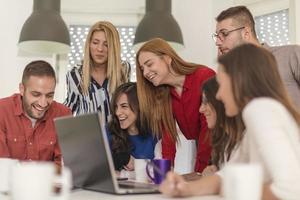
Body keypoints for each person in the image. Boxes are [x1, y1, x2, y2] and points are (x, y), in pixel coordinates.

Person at [159, 44, 300, 199]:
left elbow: (290, 190)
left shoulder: (260, 109)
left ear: (239, 81)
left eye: (222, 83)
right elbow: (225, 176)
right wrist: (184, 188)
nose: (218, 95)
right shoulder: (257, 118)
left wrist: (233, 188)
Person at [136, 38, 215, 172]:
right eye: (142, 69)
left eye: (149, 64)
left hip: (221, 150)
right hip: (202, 150)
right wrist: (166, 172)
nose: (145, 73)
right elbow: (168, 138)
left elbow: (208, 133)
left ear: (167, 58)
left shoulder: (204, 76)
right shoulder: (164, 93)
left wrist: (199, 174)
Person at [213, 5, 300, 108]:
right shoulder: (234, 74)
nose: (218, 42)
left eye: (224, 33)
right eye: (217, 36)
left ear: (246, 33)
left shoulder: (290, 54)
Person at [0, 60, 71, 167]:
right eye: (36, 94)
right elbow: (2, 166)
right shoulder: (2, 111)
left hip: (48, 182)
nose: (43, 103)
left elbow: (61, 164)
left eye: (49, 95)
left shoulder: (63, 114)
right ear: (22, 89)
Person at [64, 21, 130, 123]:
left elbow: (129, 106)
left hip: (118, 137)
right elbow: (68, 109)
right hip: (87, 136)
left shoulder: (123, 69)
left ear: (113, 48)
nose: (100, 49)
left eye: (106, 44)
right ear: (89, 44)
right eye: (95, 42)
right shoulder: (75, 74)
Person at [107, 82, 157, 171]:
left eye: (124, 106)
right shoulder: (108, 132)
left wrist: (137, 165)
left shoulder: (155, 134)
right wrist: (121, 158)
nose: (117, 112)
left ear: (139, 106)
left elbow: (160, 172)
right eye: (116, 107)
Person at [199, 77, 243, 176]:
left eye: (206, 102)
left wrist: (214, 179)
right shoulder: (223, 142)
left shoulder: (246, 141)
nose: (201, 109)